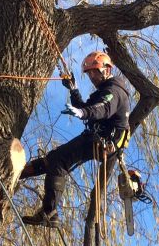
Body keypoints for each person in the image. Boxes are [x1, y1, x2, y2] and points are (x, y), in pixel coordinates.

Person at [21, 51, 133, 226]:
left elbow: (100, 109)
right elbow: (88, 109)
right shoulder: (105, 91)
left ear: (107, 69)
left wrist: (82, 112)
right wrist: (73, 89)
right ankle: (18, 174)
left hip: (103, 142)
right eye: (89, 73)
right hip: (96, 138)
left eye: (95, 71)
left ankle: (49, 213)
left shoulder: (114, 91)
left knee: (59, 160)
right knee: (53, 160)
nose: (92, 76)